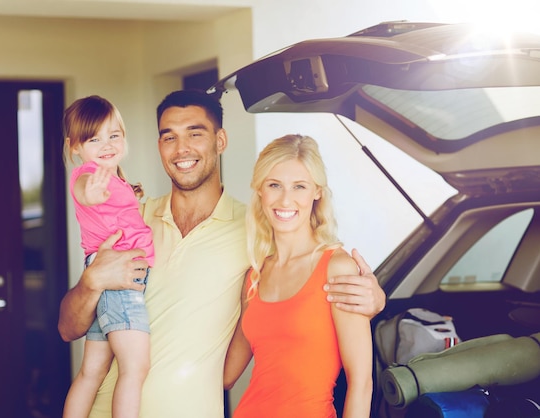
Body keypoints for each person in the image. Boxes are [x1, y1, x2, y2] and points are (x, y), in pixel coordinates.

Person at [57, 90, 385, 418]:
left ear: (220, 140)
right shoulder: (132, 223)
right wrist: (91, 282)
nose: (182, 149)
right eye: (169, 137)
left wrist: (373, 299)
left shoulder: (256, 234)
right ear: (160, 146)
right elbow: (68, 329)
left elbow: (307, 260)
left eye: (195, 134)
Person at [223, 134, 372, 418]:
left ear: (317, 192)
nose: (285, 199)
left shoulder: (337, 268)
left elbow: (362, 383)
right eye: (274, 185)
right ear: (260, 192)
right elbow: (226, 375)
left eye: (299, 186)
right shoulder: (255, 276)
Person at [61, 95, 155, 418]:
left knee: (92, 371)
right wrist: (91, 192)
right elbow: (84, 188)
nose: (106, 144)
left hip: (109, 274)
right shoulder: (88, 175)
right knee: (135, 366)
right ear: (75, 147)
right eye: (94, 138)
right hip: (116, 275)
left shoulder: (119, 181)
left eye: (114, 135)